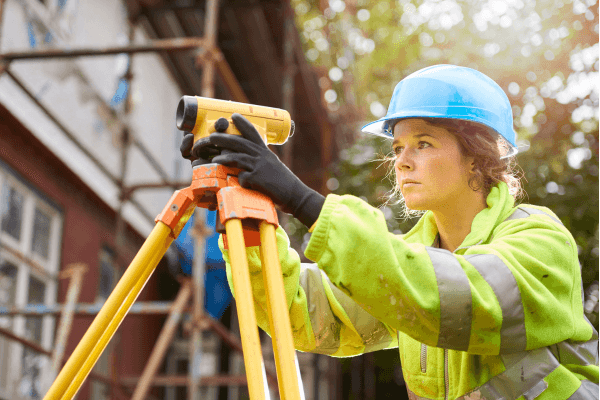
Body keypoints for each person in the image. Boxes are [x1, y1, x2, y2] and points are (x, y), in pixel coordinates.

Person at [180, 64, 599, 399]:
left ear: (477, 157)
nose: (402, 161)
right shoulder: (401, 267)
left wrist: (302, 200)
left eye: (424, 143)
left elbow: (461, 299)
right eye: (398, 147)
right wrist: (250, 213)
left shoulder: (542, 240)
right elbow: (303, 315)